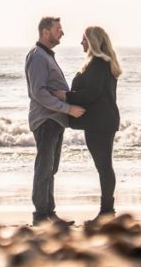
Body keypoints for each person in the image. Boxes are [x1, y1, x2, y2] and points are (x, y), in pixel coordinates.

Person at [53, 26, 121, 217]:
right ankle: (107, 210)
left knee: (104, 167)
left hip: (100, 123)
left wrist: (65, 95)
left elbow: (92, 94)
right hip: (103, 121)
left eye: (84, 39)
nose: (81, 43)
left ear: (92, 41)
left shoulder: (98, 63)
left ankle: (107, 212)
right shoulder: (101, 62)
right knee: (104, 166)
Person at [25, 17, 86, 225]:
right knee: (44, 167)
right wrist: (68, 108)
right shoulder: (38, 57)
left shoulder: (46, 56)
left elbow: (49, 89)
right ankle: (41, 215)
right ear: (45, 32)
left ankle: (49, 213)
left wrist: (66, 98)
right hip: (46, 119)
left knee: (51, 168)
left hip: (55, 120)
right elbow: (38, 93)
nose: (62, 33)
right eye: (58, 29)